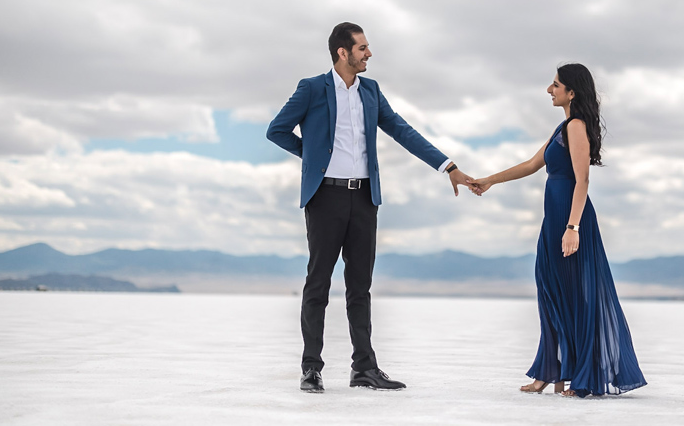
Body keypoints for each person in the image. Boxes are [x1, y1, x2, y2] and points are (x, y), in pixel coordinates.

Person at [267, 22, 475, 393]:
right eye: (362, 48)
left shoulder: (372, 91)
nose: (369, 53)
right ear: (342, 53)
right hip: (325, 198)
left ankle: (364, 368)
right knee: (318, 284)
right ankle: (311, 369)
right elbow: (277, 129)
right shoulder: (312, 88)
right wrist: (314, 158)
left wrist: (449, 167)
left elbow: (402, 130)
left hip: (364, 199)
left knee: (359, 287)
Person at [468, 64, 647, 397]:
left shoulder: (576, 127)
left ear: (571, 92)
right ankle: (553, 372)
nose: (549, 90)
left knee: (575, 295)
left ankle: (581, 378)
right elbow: (531, 165)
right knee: (550, 290)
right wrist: (489, 180)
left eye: (555, 85)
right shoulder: (561, 128)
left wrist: (573, 227)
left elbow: (583, 180)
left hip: (570, 221)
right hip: (554, 221)